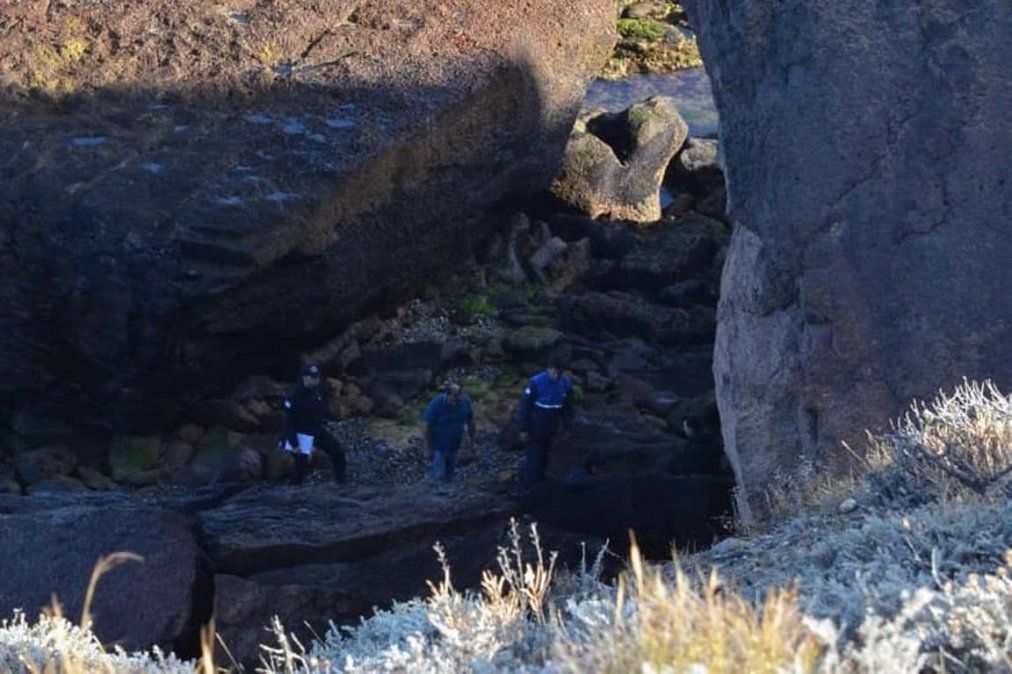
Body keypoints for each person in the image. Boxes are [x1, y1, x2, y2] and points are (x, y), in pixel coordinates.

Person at [281, 363, 347, 485]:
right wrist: (294, 443)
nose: (317, 379)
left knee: (338, 452)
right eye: (313, 377)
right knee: (301, 464)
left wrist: (335, 417)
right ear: (305, 378)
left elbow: (321, 408)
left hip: (316, 429)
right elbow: (288, 421)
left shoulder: (317, 391)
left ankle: (341, 483)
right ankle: (294, 489)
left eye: (317, 376)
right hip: (300, 433)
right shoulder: (293, 395)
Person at [517, 355, 574, 490]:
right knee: (534, 460)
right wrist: (523, 428)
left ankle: (540, 487)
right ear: (549, 369)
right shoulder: (536, 382)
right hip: (535, 428)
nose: (555, 375)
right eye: (554, 372)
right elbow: (524, 406)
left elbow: (568, 408)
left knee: (545, 458)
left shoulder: (566, 383)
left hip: (552, 428)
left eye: (559, 373)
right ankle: (528, 488)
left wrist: (567, 428)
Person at [423, 382, 475, 483]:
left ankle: (448, 494)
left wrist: (472, 440)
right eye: (455, 396)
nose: (457, 399)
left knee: (450, 475)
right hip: (438, 446)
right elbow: (426, 425)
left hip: (455, 445)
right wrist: (426, 447)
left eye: (459, 395)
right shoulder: (436, 404)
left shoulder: (465, 402)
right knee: (438, 475)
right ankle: (435, 496)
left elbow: (471, 422)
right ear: (447, 394)